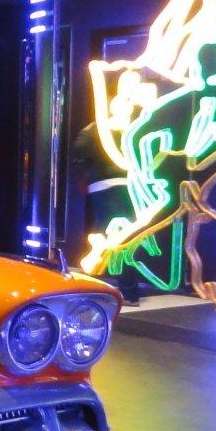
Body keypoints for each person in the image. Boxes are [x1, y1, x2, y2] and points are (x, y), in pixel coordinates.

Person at [71, 120, 141, 303]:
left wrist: (87, 130)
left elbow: (79, 149)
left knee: (110, 236)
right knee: (119, 235)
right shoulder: (125, 126)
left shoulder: (96, 128)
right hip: (126, 184)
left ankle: (128, 291)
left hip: (104, 184)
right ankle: (125, 287)